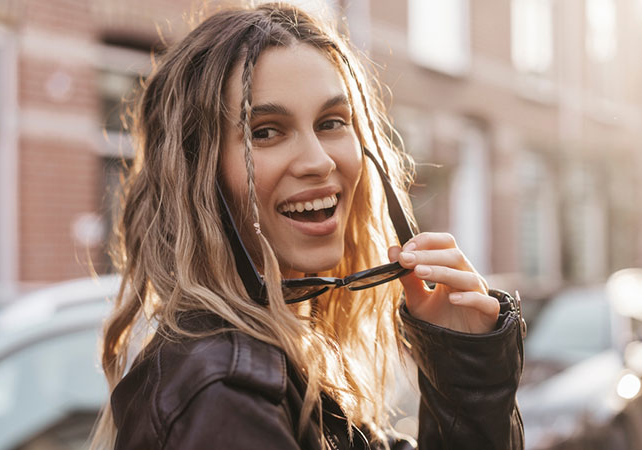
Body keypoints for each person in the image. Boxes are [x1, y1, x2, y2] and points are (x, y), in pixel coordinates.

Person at [90, 3, 525, 449]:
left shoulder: (275, 370)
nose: (319, 160)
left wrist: (463, 372)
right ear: (197, 174)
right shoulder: (224, 395)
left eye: (332, 122)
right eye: (265, 131)